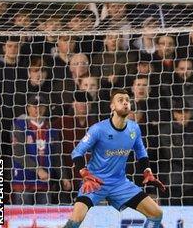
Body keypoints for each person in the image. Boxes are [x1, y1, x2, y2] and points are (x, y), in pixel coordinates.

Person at [63, 89, 165, 228]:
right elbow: (77, 152)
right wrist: (85, 174)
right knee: (75, 221)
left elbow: (141, 152)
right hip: (95, 182)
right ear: (112, 106)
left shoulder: (134, 128)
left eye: (127, 100)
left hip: (119, 183)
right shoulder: (98, 129)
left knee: (157, 214)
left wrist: (147, 171)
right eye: (120, 100)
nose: (125, 103)